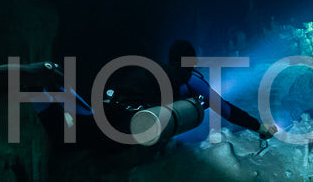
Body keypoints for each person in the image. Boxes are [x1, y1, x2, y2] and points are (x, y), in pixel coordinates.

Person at [102, 39, 277, 145]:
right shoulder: (190, 78)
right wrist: (259, 127)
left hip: (110, 105)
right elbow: (226, 110)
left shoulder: (161, 74)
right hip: (129, 122)